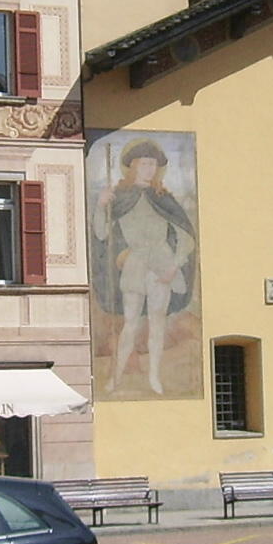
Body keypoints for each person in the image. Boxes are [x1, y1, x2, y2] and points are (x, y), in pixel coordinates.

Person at [90, 137, 198, 395]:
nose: (150, 169)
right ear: (134, 166)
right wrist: (101, 205)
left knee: (157, 323)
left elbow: (186, 237)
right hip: (136, 263)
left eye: (153, 165)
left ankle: (154, 378)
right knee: (130, 324)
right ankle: (116, 377)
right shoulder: (120, 197)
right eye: (145, 164)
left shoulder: (163, 198)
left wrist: (175, 265)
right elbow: (101, 233)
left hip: (162, 263)